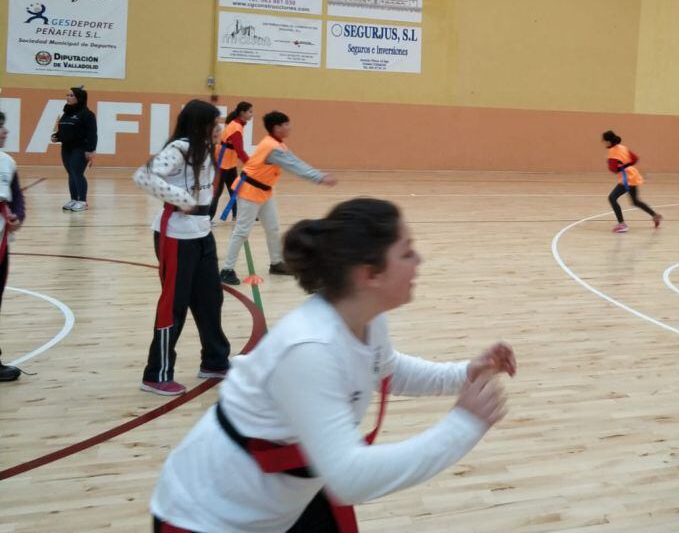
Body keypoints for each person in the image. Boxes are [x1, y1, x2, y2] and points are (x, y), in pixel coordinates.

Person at [150, 198, 516, 532]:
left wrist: (465, 373)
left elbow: (387, 371)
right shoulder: (310, 348)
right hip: (205, 517)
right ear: (369, 274)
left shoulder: (366, 317)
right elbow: (350, 479)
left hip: (282, 502)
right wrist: (463, 424)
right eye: (406, 253)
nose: (419, 261)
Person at [134, 100, 231, 397]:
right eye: (215, 123)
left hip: (202, 234)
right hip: (175, 236)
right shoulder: (181, 148)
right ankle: (157, 373)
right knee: (174, 305)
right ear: (200, 123)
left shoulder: (204, 150)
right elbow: (144, 176)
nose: (220, 128)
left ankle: (215, 362)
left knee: (210, 299)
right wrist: (182, 198)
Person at [219, 111, 337, 285]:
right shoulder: (273, 148)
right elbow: (295, 165)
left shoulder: (276, 144)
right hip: (249, 191)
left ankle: (276, 263)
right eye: (286, 124)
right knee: (242, 231)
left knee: (273, 227)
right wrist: (319, 177)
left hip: (264, 191)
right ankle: (227, 269)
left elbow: (294, 161)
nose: (290, 127)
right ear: (277, 127)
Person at [0, 111, 27, 382]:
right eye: (0, 127)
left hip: (2, 243)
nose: (5, 132)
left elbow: (17, 196)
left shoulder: (8, 162)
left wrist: (17, 215)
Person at [602, 130, 661, 233]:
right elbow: (635, 159)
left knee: (612, 198)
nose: (603, 143)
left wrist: (617, 166)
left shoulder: (612, 152)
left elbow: (614, 170)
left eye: (604, 141)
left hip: (626, 178)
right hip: (633, 174)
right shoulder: (623, 147)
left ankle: (622, 224)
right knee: (635, 201)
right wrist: (625, 165)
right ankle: (655, 215)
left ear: (608, 141)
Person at [52, 85, 97, 212]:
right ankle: (74, 199)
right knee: (71, 173)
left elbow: (92, 134)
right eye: (67, 95)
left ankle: (82, 201)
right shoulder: (66, 114)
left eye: (71, 95)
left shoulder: (87, 115)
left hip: (80, 148)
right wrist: (57, 137)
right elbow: (63, 131)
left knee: (77, 173)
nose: (68, 97)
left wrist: (90, 150)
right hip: (66, 148)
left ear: (79, 98)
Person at [209, 101, 253, 220]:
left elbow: (237, 151)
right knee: (216, 193)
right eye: (250, 112)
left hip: (230, 163)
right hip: (221, 163)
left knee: (234, 190)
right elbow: (240, 151)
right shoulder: (236, 128)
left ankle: (235, 216)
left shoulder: (237, 124)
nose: (251, 114)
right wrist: (252, 165)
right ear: (242, 113)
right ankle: (208, 218)